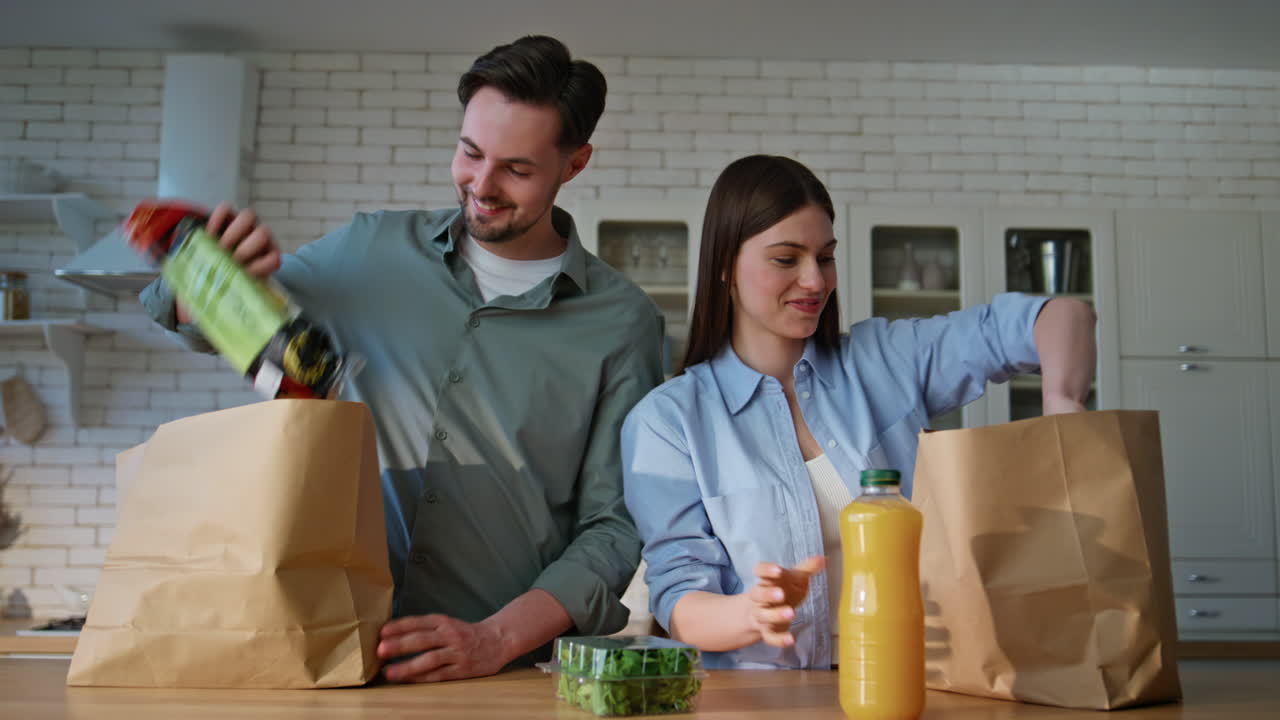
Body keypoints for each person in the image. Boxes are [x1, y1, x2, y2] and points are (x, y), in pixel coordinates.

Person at [141, 36, 665, 682]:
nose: (482, 185)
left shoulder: (622, 323)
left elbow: (612, 526)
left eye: (518, 170)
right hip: (322, 655)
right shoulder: (368, 250)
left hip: (497, 677)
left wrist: (495, 639)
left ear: (575, 164)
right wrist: (203, 281)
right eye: (470, 153)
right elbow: (194, 315)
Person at [620, 154, 1096, 670]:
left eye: (825, 258)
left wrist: (1062, 407)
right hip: (771, 697)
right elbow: (681, 598)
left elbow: (1060, 315)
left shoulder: (886, 361)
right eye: (786, 259)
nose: (815, 281)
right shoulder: (669, 423)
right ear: (723, 266)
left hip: (919, 679)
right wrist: (750, 612)